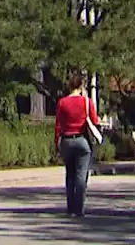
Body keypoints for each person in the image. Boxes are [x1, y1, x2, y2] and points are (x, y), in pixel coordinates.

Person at [54, 73, 100, 217]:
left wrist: (57, 143)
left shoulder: (62, 103)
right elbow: (95, 121)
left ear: (69, 86)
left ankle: (70, 207)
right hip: (82, 141)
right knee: (81, 175)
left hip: (67, 141)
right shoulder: (86, 102)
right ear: (81, 86)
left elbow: (58, 125)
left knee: (70, 175)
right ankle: (78, 209)